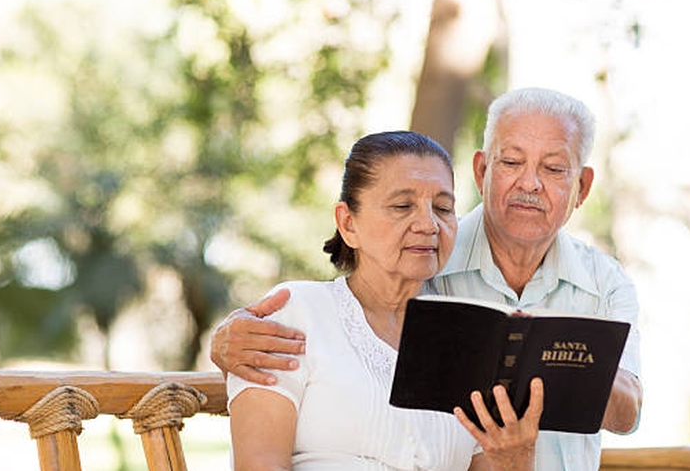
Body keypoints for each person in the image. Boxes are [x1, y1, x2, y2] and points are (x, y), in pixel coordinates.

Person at [213, 89, 643, 471]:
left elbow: (627, 412)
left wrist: (542, 366)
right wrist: (225, 337)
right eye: (511, 162)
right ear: (482, 171)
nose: (428, 226)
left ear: (582, 186)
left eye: (442, 207)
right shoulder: (307, 310)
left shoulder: (603, 284)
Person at [226, 130, 543, 471]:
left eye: (443, 208)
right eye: (402, 206)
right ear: (349, 224)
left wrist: (516, 459)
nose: (428, 224)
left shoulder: (472, 340)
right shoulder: (295, 312)